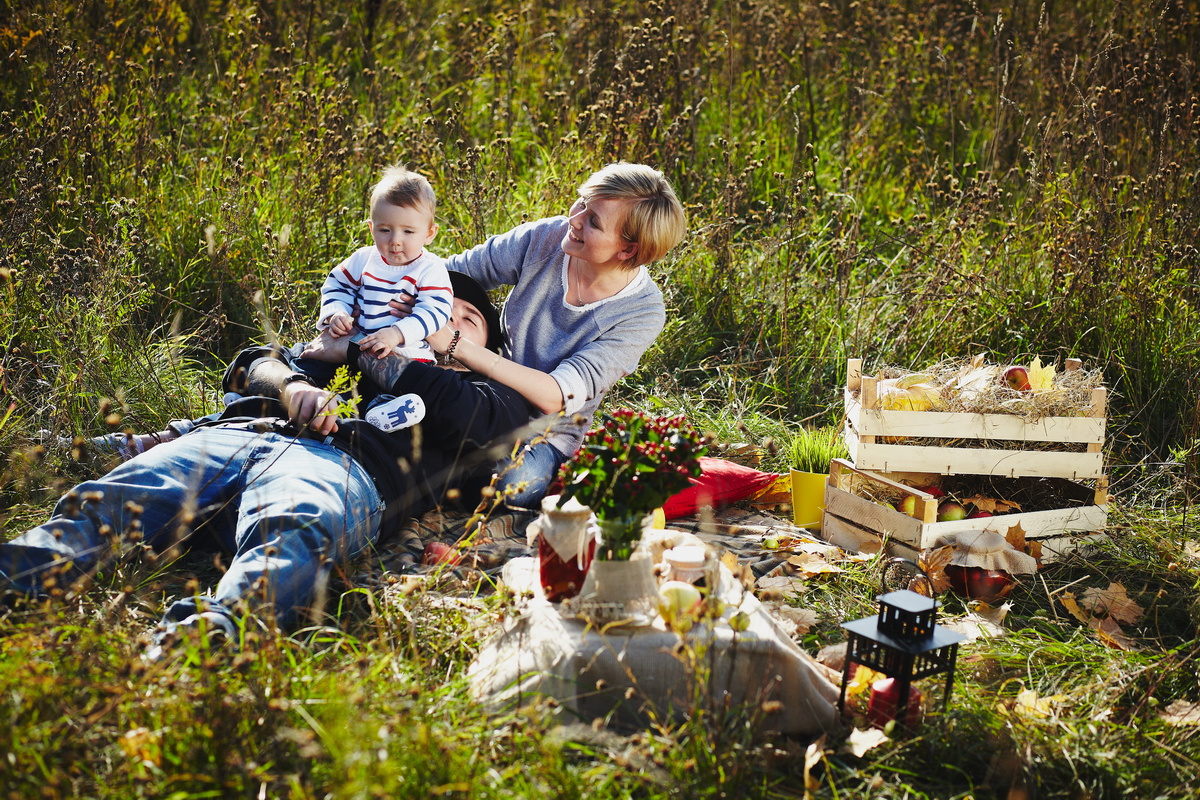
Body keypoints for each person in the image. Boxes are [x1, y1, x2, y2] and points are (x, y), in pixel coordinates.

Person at [0, 273, 532, 646]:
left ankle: (204, 640)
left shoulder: (490, 396)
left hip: (341, 469)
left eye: (466, 320)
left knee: (294, 533)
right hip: (239, 437)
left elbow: (473, 423)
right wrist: (295, 385)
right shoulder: (345, 348)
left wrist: (416, 348)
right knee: (113, 500)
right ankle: (16, 573)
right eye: (435, 309)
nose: (444, 323)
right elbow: (253, 364)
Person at [387, 162, 688, 509]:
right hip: (477, 394)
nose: (574, 219)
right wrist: (377, 295)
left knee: (510, 484)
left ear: (627, 250)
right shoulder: (544, 239)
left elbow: (556, 395)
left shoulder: (641, 312)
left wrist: (456, 344)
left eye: (593, 222)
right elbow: (447, 273)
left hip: (544, 432)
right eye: (582, 203)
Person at [318, 165, 451, 362]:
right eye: (385, 230)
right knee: (319, 369)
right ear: (372, 228)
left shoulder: (430, 269)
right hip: (359, 347)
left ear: (429, 233)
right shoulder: (363, 259)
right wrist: (337, 312)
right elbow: (337, 285)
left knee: (409, 383)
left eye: (408, 232)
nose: (395, 240)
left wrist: (397, 333)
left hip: (409, 356)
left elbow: (435, 312)